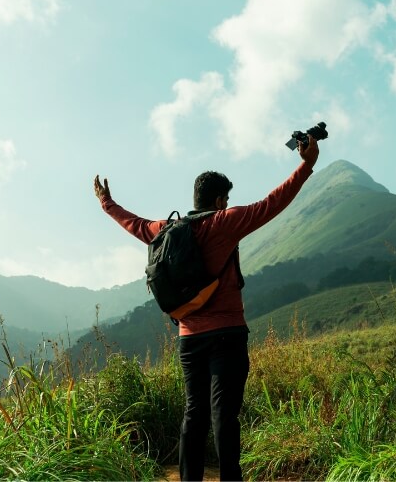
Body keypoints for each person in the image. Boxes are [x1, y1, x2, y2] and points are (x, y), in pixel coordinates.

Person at [93, 136, 320, 481]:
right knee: (224, 416)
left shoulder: (167, 230)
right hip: (227, 334)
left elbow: (135, 224)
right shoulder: (225, 222)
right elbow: (273, 202)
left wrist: (106, 202)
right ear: (218, 200)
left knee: (193, 413)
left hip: (189, 338)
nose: (228, 204)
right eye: (225, 199)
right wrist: (306, 164)